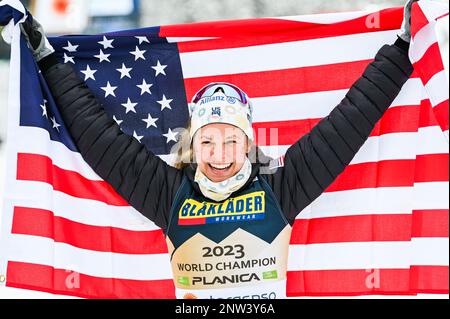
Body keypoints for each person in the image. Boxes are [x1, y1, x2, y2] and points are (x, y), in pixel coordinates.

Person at [19, 0, 416, 299]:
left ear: (249, 142)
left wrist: (400, 50)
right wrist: (45, 59)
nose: (220, 154)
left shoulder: (280, 187)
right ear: (193, 144)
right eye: (207, 140)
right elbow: (100, 139)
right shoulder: (170, 194)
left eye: (231, 140)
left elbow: (348, 124)